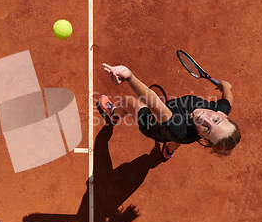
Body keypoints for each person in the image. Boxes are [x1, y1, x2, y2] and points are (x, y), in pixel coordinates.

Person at [97, 63, 241, 158]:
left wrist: (129, 77)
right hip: (176, 137)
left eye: (207, 130)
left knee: (127, 101)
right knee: (178, 141)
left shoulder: (178, 128)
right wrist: (226, 87)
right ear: (223, 114)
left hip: (152, 125)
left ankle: (114, 115)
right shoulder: (221, 109)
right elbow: (228, 99)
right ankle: (168, 152)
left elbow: (152, 101)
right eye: (216, 120)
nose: (205, 119)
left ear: (203, 137)